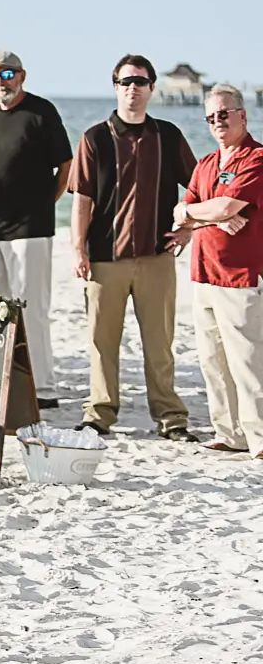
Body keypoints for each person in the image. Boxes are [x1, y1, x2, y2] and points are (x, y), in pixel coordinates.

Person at [71, 55, 199, 440]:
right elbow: (82, 199)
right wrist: (78, 249)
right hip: (104, 259)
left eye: (140, 82)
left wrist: (189, 229)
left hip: (157, 257)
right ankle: (100, 414)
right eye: (126, 82)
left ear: (152, 88)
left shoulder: (169, 136)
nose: (133, 88)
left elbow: (197, 188)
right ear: (116, 87)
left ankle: (171, 418)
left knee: (160, 344)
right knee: (101, 343)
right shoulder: (94, 137)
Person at [0, 50, 73, 411]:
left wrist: (44, 204)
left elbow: (66, 166)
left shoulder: (43, 112)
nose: (2, 83)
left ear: (22, 76)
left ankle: (43, 388)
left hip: (30, 228)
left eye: (8, 74)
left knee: (31, 309)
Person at [174, 86, 263, 457]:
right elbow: (182, 210)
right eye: (211, 117)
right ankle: (229, 434)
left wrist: (205, 213)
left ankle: (259, 438)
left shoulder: (255, 157)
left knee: (247, 361)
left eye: (224, 114)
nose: (217, 122)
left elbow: (226, 204)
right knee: (212, 360)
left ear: (243, 115)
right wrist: (212, 217)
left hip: (240, 275)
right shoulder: (207, 162)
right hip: (203, 272)